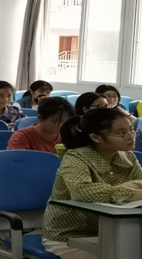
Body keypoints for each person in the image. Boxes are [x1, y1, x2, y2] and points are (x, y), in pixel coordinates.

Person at [42, 109, 142, 258]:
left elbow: (141, 182)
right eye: (121, 133)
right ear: (96, 137)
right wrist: (131, 193)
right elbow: (82, 191)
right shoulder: (76, 157)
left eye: (131, 130)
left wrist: (118, 190)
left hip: (113, 232)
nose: (130, 136)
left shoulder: (128, 156)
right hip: (68, 237)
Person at [7, 97, 75, 153]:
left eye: (65, 122)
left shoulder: (68, 136)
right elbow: (15, 160)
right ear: (40, 118)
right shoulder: (21, 137)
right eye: (56, 121)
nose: (61, 126)